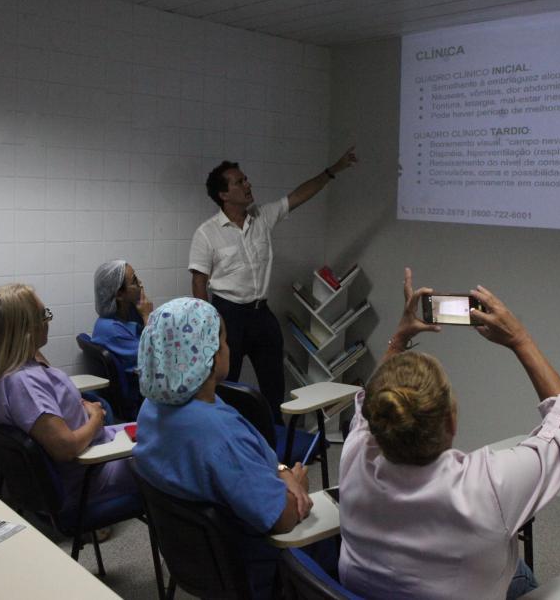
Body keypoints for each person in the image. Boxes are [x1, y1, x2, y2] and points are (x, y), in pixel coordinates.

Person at [338, 269, 560, 600]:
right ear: (451, 423)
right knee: (518, 569)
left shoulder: (355, 453)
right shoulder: (489, 486)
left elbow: (366, 407)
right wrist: (520, 339)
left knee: (514, 568)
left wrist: (398, 339)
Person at [133, 297, 316, 598]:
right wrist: (299, 486)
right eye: (224, 341)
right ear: (211, 355)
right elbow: (282, 518)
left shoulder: (152, 410)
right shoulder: (219, 437)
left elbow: (250, 464)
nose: (228, 348)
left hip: (195, 564)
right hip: (252, 568)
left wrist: (281, 471)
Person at [189, 148, 359, 421]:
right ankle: (225, 442)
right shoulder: (206, 233)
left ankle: (276, 449)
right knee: (223, 387)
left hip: (261, 315)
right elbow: (199, 283)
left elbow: (299, 195)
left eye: (246, 179)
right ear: (223, 195)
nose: (248, 184)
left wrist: (333, 170)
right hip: (226, 316)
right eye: (240, 182)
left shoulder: (263, 217)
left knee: (273, 387)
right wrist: (208, 328)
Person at [0, 283, 138, 512]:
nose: (49, 321)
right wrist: (95, 418)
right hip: (91, 474)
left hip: (94, 455)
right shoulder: (24, 384)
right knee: (171, 449)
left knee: (153, 431)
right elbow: (66, 448)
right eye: (44, 315)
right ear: (26, 329)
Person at [90, 260, 153, 419]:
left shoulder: (128, 314)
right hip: (139, 400)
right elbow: (152, 358)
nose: (140, 284)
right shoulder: (110, 329)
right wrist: (147, 315)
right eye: (134, 281)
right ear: (119, 294)